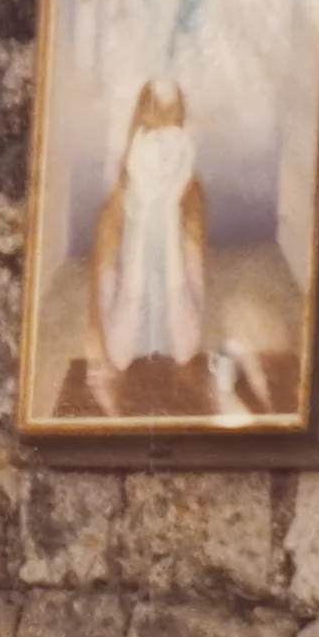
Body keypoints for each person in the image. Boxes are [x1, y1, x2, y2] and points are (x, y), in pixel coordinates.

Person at [84, 78, 207, 412]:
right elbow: (120, 356)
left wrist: (167, 211)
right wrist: (144, 207)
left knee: (181, 345)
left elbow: (184, 349)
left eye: (173, 130)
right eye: (155, 134)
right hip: (125, 313)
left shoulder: (192, 201)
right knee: (122, 347)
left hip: (175, 303)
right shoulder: (112, 213)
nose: (163, 156)